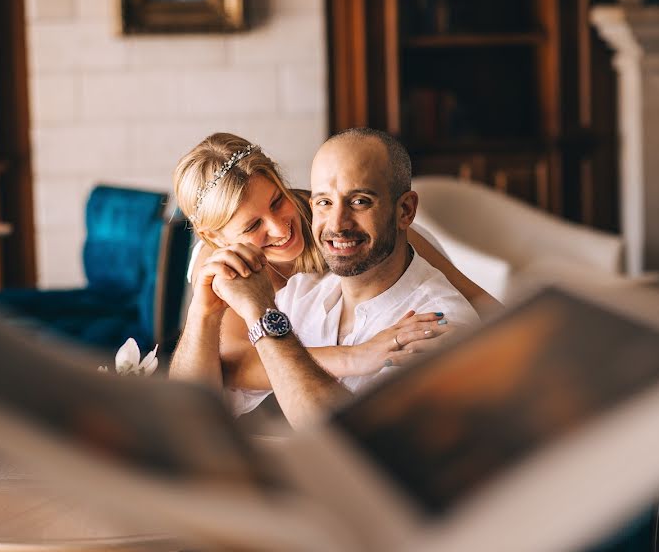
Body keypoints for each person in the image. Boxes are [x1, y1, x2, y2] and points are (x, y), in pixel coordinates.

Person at [172, 129, 480, 427]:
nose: (280, 228)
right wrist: (206, 311)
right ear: (214, 237)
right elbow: (227, 372)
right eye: (252, 226)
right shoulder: (275, 286)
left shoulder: (347, 226)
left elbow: (464, 293)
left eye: (278, 201)